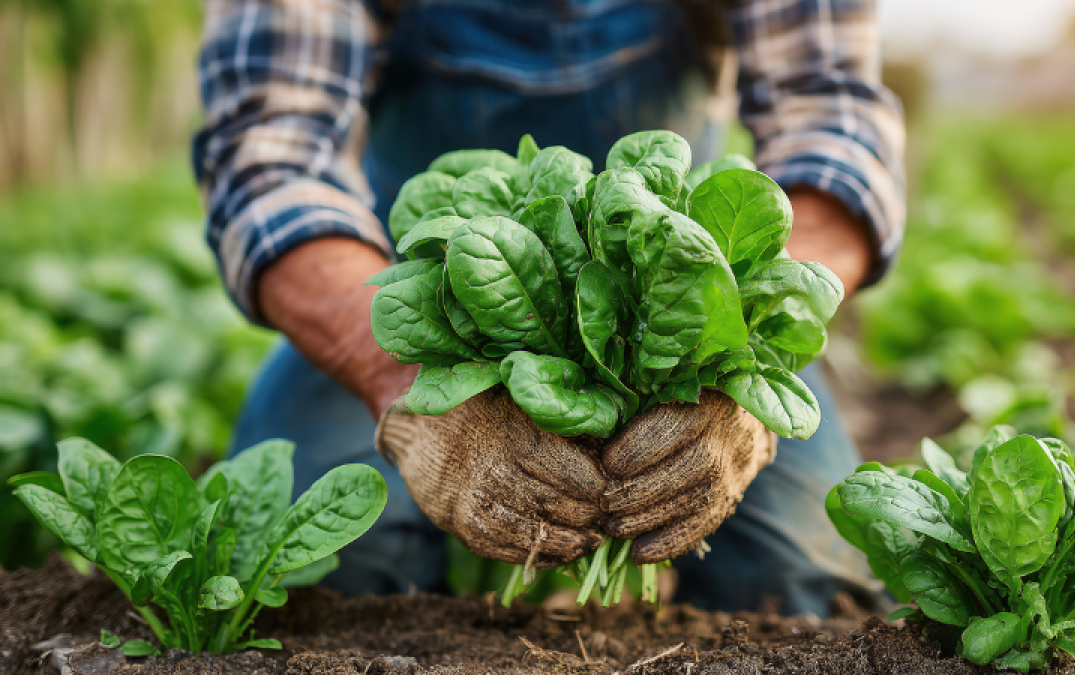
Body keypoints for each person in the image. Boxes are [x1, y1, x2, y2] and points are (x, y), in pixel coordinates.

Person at [193, 0, 905, 616]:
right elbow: (269, 157)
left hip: (675, 294)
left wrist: (732, 357)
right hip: (408, 291)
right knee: (320, 571)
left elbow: (833, 128)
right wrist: (401, 383)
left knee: (796, 577)